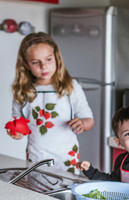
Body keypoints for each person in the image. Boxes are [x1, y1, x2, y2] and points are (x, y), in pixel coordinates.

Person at [7, 32, 94, 173]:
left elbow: (89, 120)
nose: (44, 66)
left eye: (48, 59)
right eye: (36, 62)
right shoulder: (22, 91)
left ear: (57, 58)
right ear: (26, 64)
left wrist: (83, 124)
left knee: (64, 189)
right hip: (36, 156)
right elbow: (18, 124)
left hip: (66, 157)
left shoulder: (71, 87)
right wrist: (16, 132)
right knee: (37, 190)